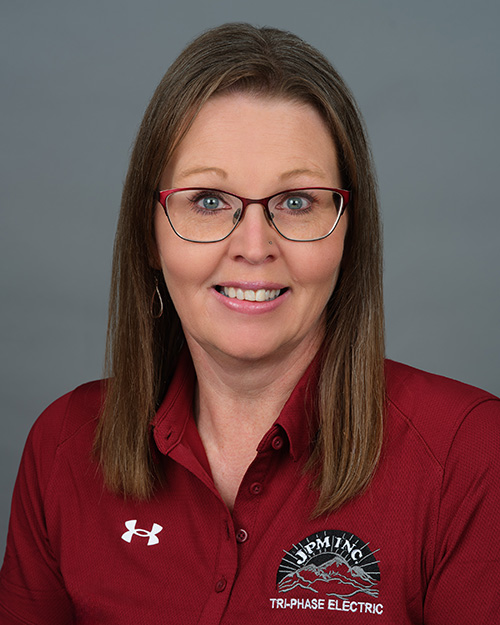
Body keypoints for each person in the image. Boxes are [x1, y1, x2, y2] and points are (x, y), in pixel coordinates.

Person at [0, 22, 499, 624]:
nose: (255, 247)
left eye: (297, 201)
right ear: (149, 236)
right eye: (209, 201)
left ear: (348, 233)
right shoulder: (63, 446)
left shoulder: (469, 457)